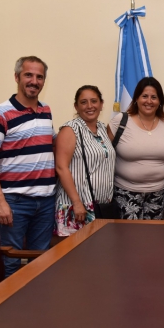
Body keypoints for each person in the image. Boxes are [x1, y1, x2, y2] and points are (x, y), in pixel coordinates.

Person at [0, 56, 55, 277]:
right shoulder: (0, 112)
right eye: (28, 75)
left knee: (41, 261)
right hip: (14, 201)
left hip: (46, 200)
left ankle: (37, 309)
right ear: (17, 77)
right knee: (10, 262)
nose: (34, 81)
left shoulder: (46, 110)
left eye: (39, 76)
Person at [107, 77, 164, 220]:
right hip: (126, 192)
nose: (149, 101)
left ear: (160, 101)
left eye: (154, 97)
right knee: (130, 237)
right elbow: (104, 154)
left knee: (152, 236)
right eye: (144, 96)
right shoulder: (120, 121)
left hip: (158, 193)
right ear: (136, 98)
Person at [54, 85, 115, 236]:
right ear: (76, 106)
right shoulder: (70, 129)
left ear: (101, 104)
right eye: (83, 102)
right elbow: (61, 167)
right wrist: (77, 202)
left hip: (101, 206)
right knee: (76, 257)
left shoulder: (102, 128)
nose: (89, 106)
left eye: (94, 101)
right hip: (78, 207)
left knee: (100, 255)